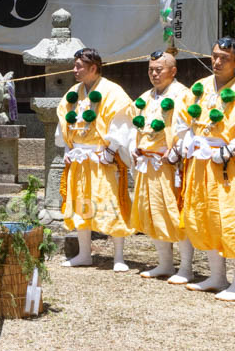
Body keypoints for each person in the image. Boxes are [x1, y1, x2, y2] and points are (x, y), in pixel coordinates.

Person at [108, 51, 195, 281]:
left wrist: (176, 152)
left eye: (159, 69)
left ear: (173, 71)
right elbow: (137, 128)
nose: (154, 74)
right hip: (147, 163)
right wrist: (135, 147)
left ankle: (186, 267)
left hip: (172, 164)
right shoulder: (145, 97)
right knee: (152, 211)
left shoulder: (183, 95)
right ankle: (164, 263)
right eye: (151, 70)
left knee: (177, 213)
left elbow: (189, 128)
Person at [56, 48, 134, 271]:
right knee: (81, 204)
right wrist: (68, 151)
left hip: (103, 156)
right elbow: (64, 123)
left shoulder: (113, 91)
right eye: (75, 65)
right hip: (79, 156)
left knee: (111, 202)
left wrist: (110, 151)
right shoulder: (73, 91)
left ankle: (118, 256)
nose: (75, 70)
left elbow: (122, 122)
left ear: (93, 68)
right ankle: (83, 253)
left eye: (79, 66)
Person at [173, 37, 235, 300]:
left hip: (227, 163)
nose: (217, 61)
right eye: (215, 55)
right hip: (199, 162)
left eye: (225, 58)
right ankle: (217, 275)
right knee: (205, 216)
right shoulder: (199, 86)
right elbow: (182, 119)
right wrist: (186, 140)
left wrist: (230, 149)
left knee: (230, 218)